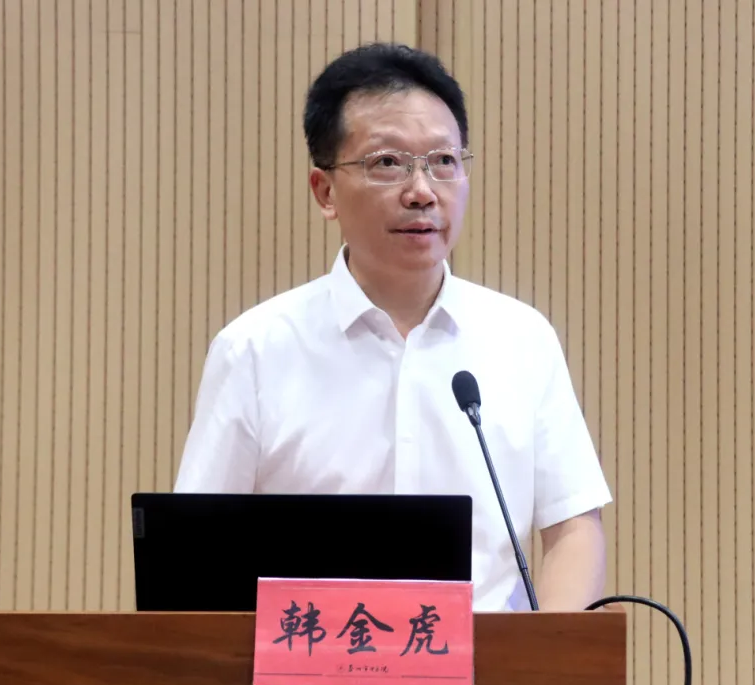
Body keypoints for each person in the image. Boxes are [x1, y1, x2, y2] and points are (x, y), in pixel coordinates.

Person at [173, 42, 613, 612]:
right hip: (309, 662)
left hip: (488, 665)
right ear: (325, 191)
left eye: (443, 161)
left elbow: (573, 527)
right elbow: (197, 550)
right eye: (388, 163)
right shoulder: (255, 349)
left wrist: (548, 655)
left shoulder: (521, 339)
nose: (422, 191)